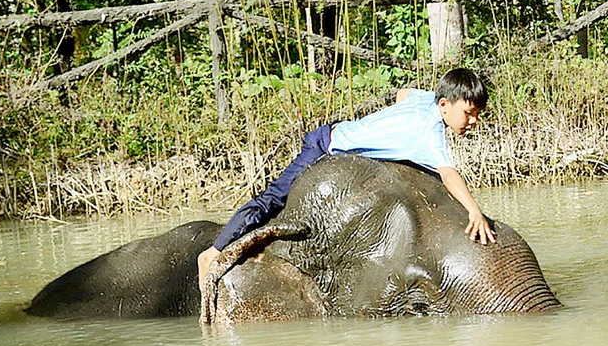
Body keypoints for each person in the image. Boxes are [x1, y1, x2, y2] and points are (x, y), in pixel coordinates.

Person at [197, 67, 495, 287]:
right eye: (468, 113)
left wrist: (387, 129)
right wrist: (473, 211)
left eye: (477, 114)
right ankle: (212, 252)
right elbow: (449, 175)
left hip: (342, 136)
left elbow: (402, 94)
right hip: (325, 145)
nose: (473, 122)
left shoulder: (425, 100)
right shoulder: (430, 136)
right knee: (273, 200)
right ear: (445, 105)